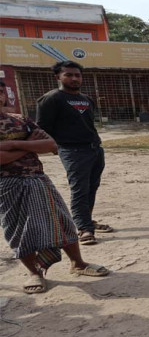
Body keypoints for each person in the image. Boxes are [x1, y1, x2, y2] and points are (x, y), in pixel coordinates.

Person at [0, 82, 109, 294]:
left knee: (63, 222)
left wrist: (14, 145)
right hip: (6, 184)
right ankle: (34, 273)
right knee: (19, 230)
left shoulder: (20, 119)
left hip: (38, 179)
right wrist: (29, 145)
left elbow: (50, 145)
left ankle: (78, 263)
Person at [36, 61, 112, 246]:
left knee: (92, 187)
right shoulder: (51, 99)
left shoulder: (86, 99)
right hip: (72, 150)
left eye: (77, 75)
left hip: (94, 148)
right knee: (79, 189)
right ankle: (84, 229)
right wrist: (55, 147)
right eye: (69, 75)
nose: (74, 78)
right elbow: (43, 129)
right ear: (58, 77)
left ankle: (87, 219)